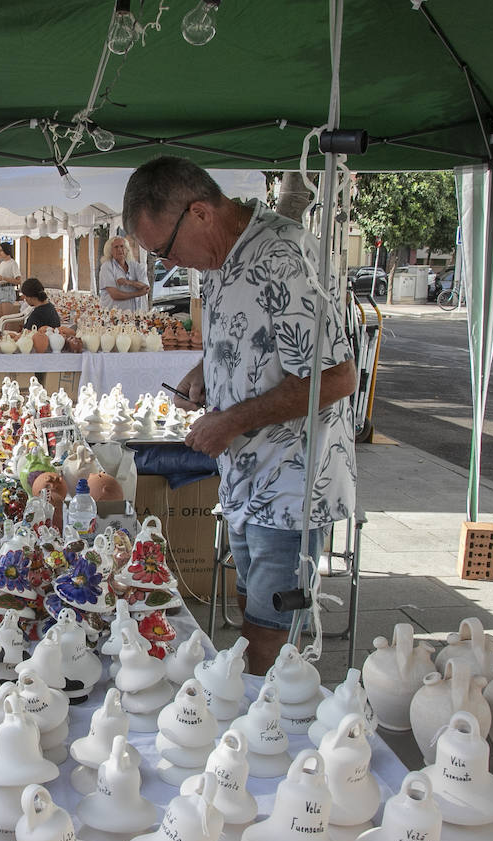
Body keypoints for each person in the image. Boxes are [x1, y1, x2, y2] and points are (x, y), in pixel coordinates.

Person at [123, 156, 357, 676]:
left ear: (200, 213)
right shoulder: (220, 261)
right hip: (248, 476)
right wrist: (204, 370)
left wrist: (229, 421)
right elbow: (250, 335)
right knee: (253, 602)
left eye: (164, 249)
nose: (170, 263)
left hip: (293, 479)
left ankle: (258, 732)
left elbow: (337, 377)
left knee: (268, 628)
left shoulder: (283, 255)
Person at [99, 235, 151, 310]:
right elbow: (115, 295)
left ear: (127, 249)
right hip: (115, 315)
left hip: (136, 314)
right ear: (110, 251)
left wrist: (129, 282)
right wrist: (138, 293)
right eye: (116, 247)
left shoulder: (136, 266)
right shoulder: (107, 267)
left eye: (122, 246)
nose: (119, 249)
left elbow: (146, 287)